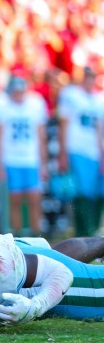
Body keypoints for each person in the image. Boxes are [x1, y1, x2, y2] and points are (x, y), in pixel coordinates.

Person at [0, 76, 49, 235]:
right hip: (11, 159)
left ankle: (37, 237)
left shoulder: (35, 105)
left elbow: (41, 136)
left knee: (35, 200)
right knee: (14, 201)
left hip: (31, 159)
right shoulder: (2, 106)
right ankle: (16, 239)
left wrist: (43, 163)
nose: (18, 95)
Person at [56, 68, 103, 237]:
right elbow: (64, 124)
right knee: (81, 191)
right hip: (76, 148)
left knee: (97, 191)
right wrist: (63, 152)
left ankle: (94, 230)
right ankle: (84, 231)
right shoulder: (71, 95)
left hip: (94, 151)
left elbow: (99, 129)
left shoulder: (98, 99)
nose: (89, 81)